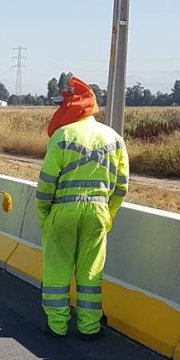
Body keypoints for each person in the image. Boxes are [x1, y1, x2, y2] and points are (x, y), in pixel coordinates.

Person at [36, 76, 129, 340]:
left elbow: (46, 184)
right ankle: (89, 327)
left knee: (58, 269)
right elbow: (121, 186)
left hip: (64, 210)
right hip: (98, 210)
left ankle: (57, 325)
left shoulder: (62, 136)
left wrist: (45, 214)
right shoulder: (114, 138)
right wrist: (108, 214)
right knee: (91, 270)